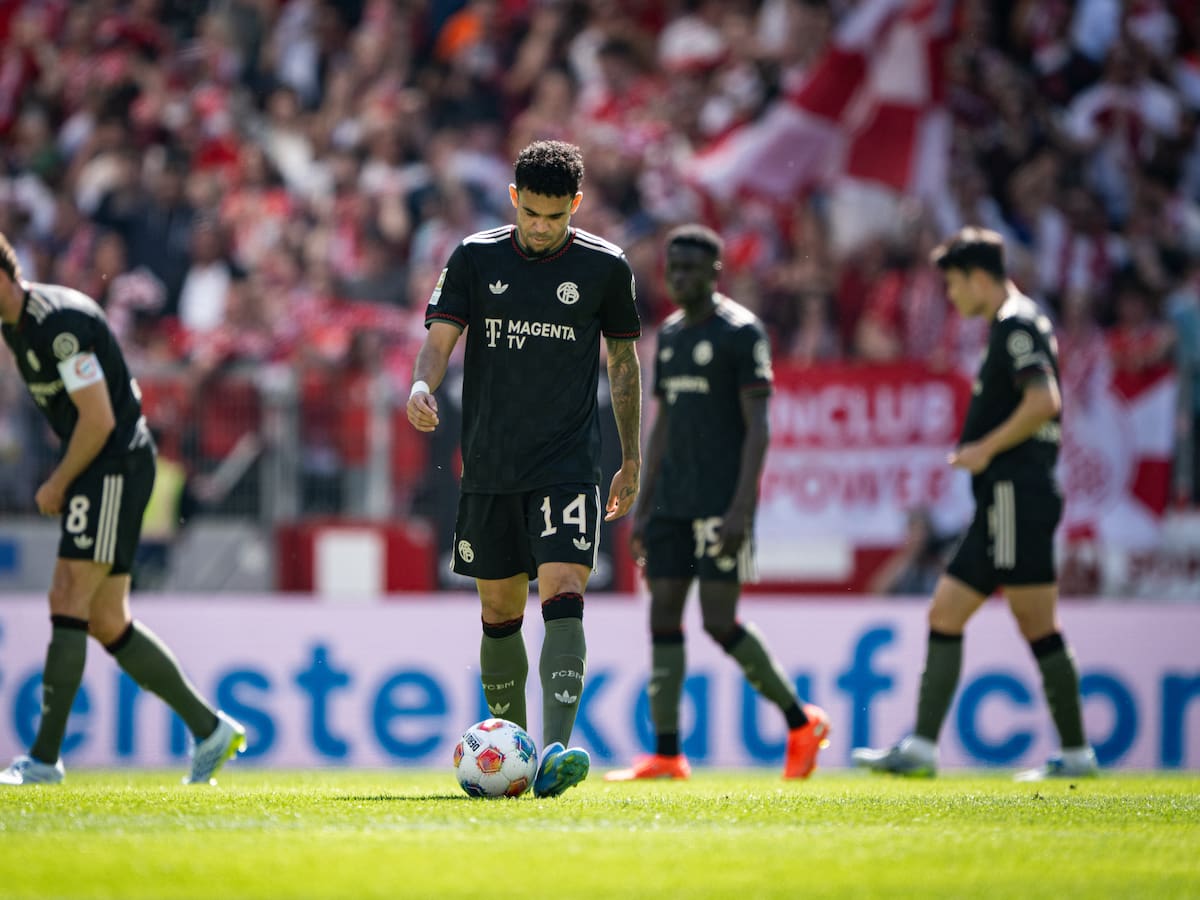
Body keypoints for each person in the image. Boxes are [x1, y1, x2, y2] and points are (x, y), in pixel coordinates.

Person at [406, 141, 642, 798]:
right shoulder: (475, 257)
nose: (541, 228)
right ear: (514, 199)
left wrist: (632, 458)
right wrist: (422, 388)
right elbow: (438, 341)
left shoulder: (605, 267)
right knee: (499, 605)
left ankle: (558, 748)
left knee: (566, 586)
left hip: (568, 461)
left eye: (555, 216)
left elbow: (623, 367)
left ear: (575, 206)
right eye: (532, 213)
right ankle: (517, 755)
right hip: (489, 462)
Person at [852, 227, 1097, 781]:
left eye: (954, 285)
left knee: (1036, 623)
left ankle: (1079, 756)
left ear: (979, 278)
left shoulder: (1015, 324)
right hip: (1003, 501)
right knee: (946, 612)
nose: (952, 297)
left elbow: (1044, 401)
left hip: (1016, 495)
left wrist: (984, 448)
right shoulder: (1016, 322)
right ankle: (919, 749)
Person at [0, 232, 245, 787]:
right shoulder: (14, 326)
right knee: (107, 618)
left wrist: (57, 481)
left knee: (68, 597)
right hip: (100, 465)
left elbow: (99, 419)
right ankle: (208, 728)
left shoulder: (56, 323)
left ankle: (42, 758)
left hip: (108, 463)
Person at [605, 225, 831, 783]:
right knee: (662, 615)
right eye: (671, 268)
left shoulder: (740, 333)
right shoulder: (673, 335)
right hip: (671, 505)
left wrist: (742, 511)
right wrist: (645, 503)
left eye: (689, 269)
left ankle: (801, 721)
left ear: (714, 273)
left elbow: (759, 428)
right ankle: (666, 754)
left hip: (719, 504)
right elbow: (661, 428)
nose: (677, 278)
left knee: (718, 620)